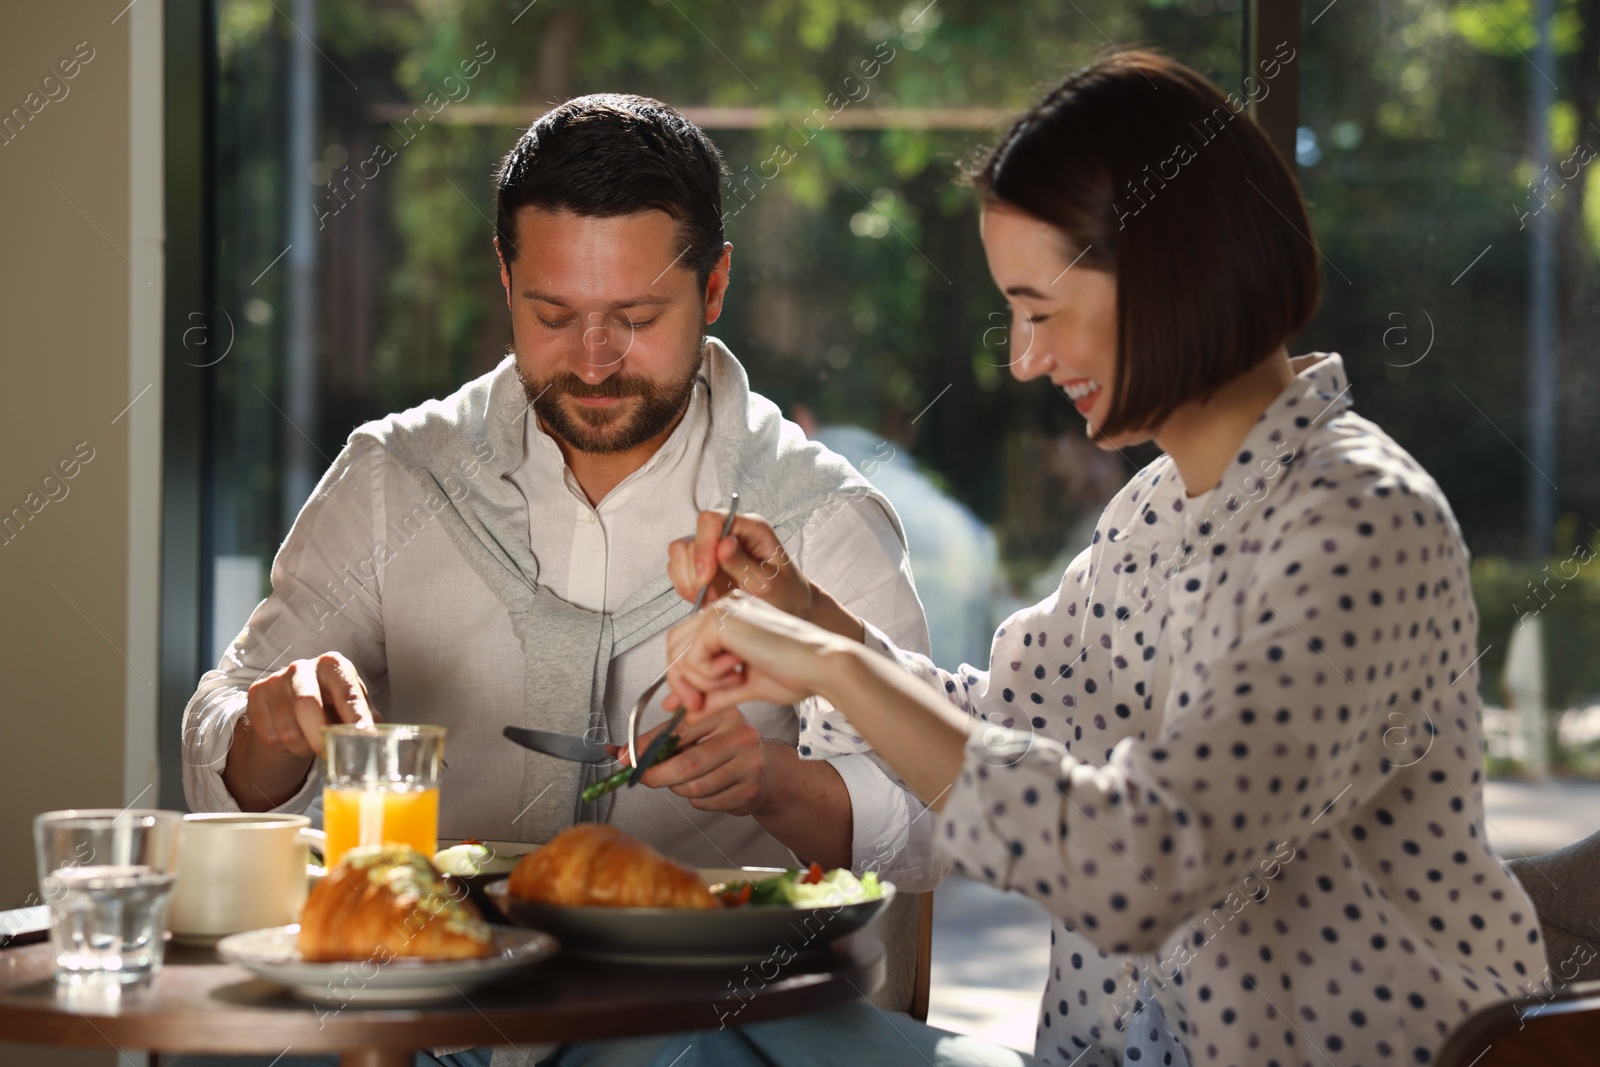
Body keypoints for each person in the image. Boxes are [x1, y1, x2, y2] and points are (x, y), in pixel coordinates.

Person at [652, 51, 1547, 1067]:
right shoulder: (1156, 511)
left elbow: (1143, 862)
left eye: (1039, 310)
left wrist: (834, 668)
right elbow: (1000, 738)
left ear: (1170, 275)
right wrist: (805, 616)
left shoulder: (1361, 524)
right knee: (714, 1037)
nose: (1022, 358)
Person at [176, 95, 939, 1067]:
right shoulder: (391, 478)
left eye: (634, 316)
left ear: (714, 288)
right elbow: (216, 746)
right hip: (419, 1016)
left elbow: (928, 814)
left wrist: (773, 783)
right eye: (552, 314)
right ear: (504, 278)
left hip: (696, 1025)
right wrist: (270, 728)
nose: (593, 360)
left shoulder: (815, 514)